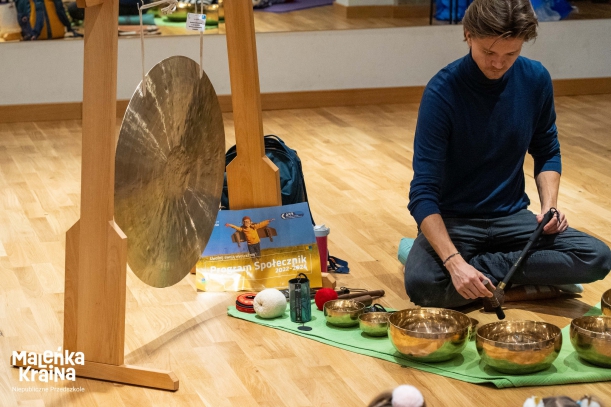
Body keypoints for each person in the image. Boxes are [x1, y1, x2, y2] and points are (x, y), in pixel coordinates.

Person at [404, 0, 611, 308]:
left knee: (597, 257)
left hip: (512, 218)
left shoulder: (536, 79)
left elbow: (547, 150)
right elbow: (422, 193)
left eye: (511, 54)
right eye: (489, 52)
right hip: (456, 221)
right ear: (468, 35)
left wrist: (549, 208)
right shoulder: (442, 93)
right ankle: (515, 279)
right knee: (423, 284)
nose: (498, 64)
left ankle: (482, 273)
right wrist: (453, 261)